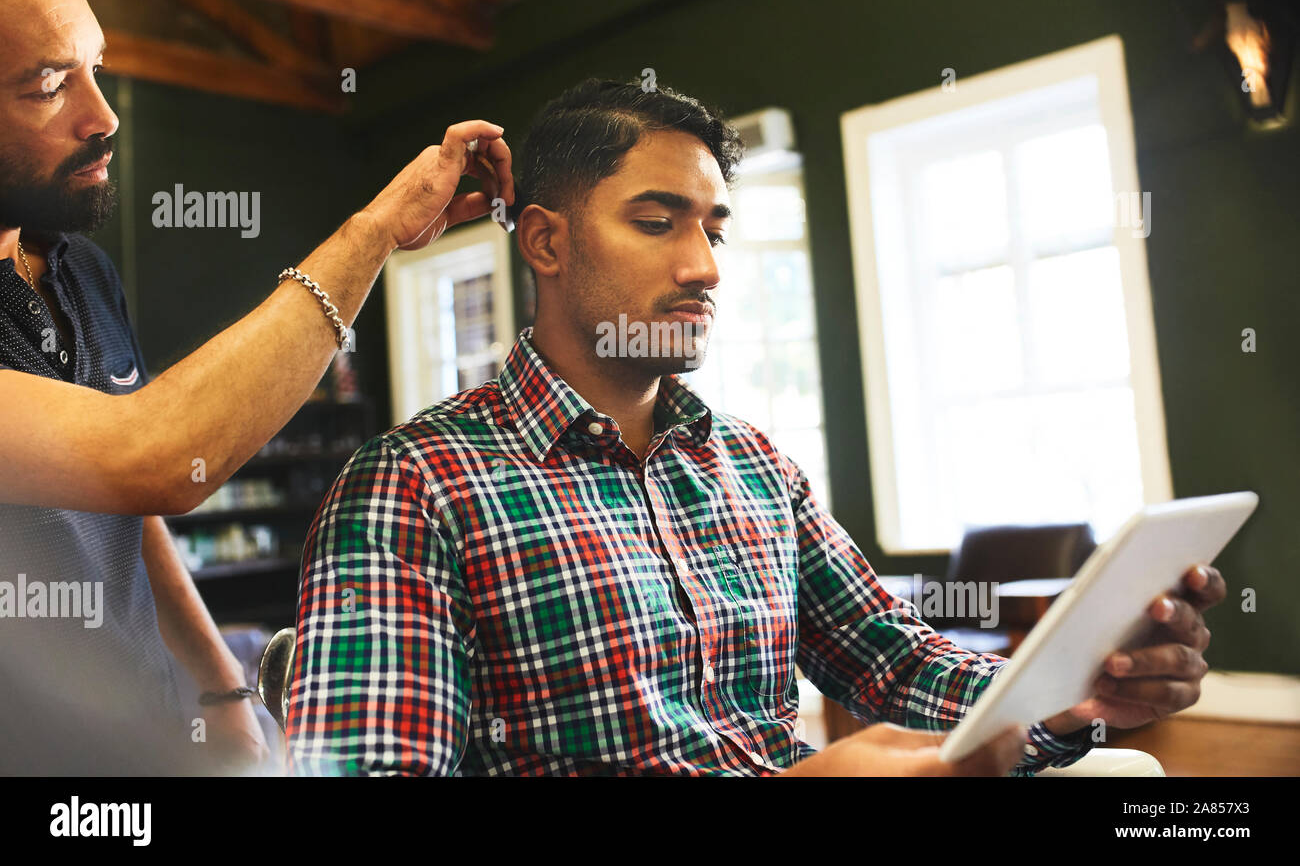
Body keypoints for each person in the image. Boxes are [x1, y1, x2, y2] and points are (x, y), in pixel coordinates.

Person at [286, 78, 1225, 776]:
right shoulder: (411, 488)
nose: (705, 267)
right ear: (546, 243)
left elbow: (892, 659)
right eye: (658, 223)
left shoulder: (753, 465)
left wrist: (1070, 697)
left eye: (716, 230)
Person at [0, 0, 513, 774]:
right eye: (51, 85)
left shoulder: (78, 266)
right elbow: (156, 455)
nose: (103, 115)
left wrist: (218, 683)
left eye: (95, 66)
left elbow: (123, 501)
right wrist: (373, 233)